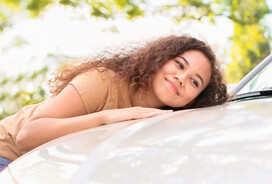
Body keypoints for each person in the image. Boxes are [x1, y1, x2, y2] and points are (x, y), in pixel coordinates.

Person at [0, 34, 228, 168]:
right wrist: (105, 118)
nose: (180, 78)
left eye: (194, 82)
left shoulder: (163, 124)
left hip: (45, 172)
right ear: (161, 59)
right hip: (8, 156)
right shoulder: (102, 80)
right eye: (179, 64)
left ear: (193, 101)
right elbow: (27, 137)